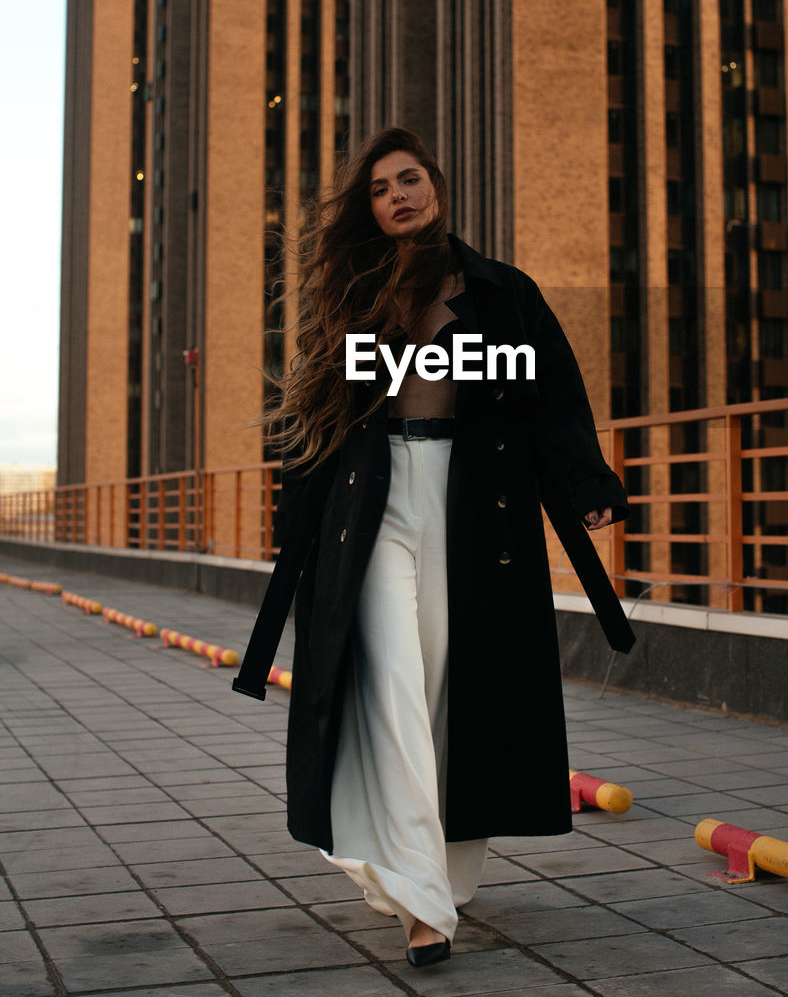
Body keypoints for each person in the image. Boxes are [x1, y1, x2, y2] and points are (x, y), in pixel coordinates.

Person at [233, 126, 634, 968]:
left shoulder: (502, 292)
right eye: (379, 190)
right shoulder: (352, 300)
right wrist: (291, 528)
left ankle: (436, 869)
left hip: (471, 504)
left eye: (408, 180)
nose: (397, 197)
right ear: (368, 210)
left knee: (452, 679)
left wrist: (586, 486)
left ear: (437, 187)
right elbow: (313, 426)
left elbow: (552, 394)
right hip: (371, 502)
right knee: (388, 681)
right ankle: (422, 902)